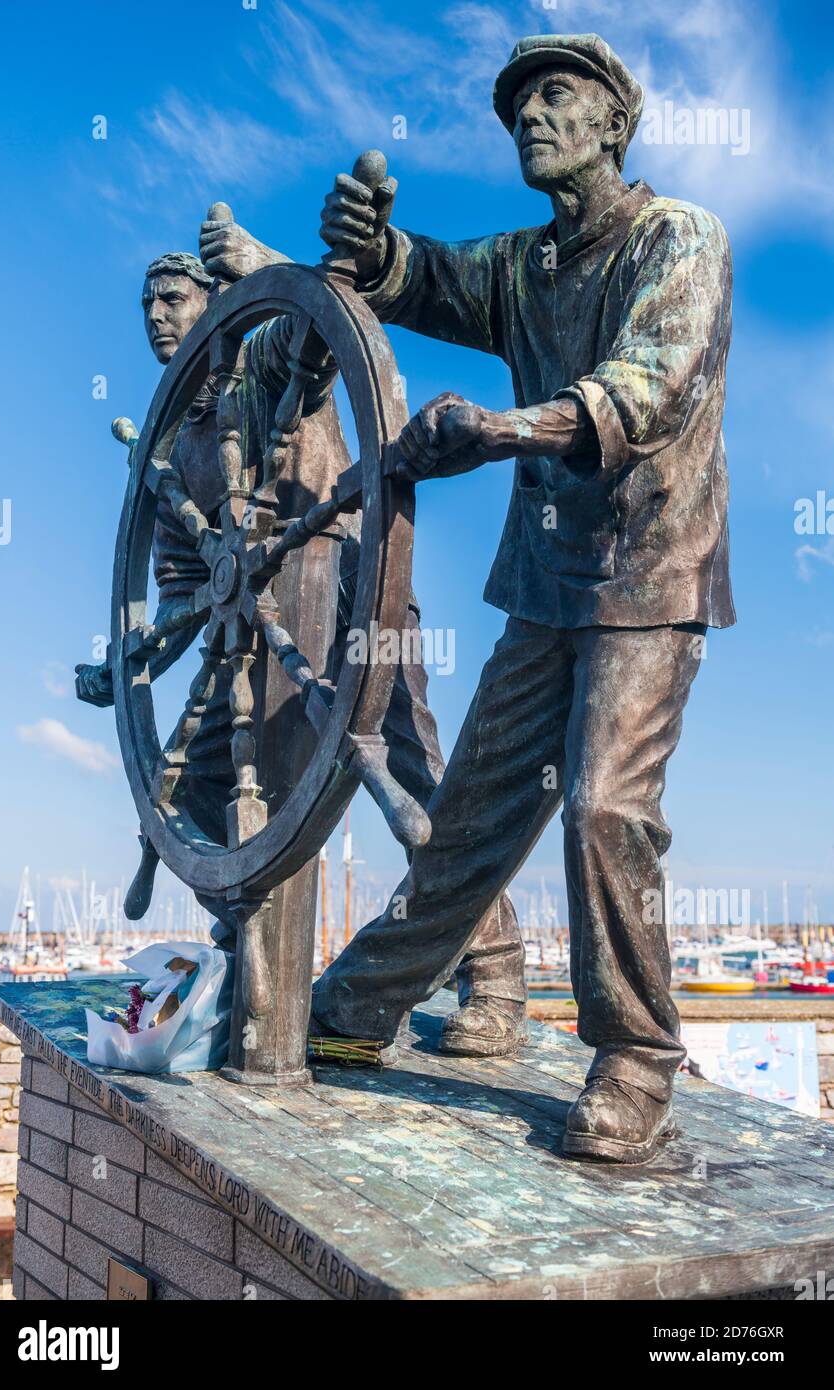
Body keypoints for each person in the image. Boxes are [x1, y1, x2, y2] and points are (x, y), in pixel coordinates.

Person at [311, 32, 735, 1162]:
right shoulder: (522, 267)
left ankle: (636, 1058)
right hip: (546, 585)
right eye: (516, 109)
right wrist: (370, 247)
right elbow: (423, 278)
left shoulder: (678, 241)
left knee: (602, 806)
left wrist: (500, 430)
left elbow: (643, 388)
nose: (529, 118)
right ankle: (357, 1006)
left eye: (555, 96)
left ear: (613, 121)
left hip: (650, 578)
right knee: (475, 813)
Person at [76, 229, 527, 1057]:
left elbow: (323, 316)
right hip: (251, 634)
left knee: (411, 771)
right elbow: (184, 595)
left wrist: (262, 263)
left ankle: (493, 971)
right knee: (204, 787)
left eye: (172, 298)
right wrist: (127, 662)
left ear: (218, 307)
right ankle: (251, 950)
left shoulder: (267, 363)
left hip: (355, 584)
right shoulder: (174, 447)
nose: (154, 315)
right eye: (145, 302)